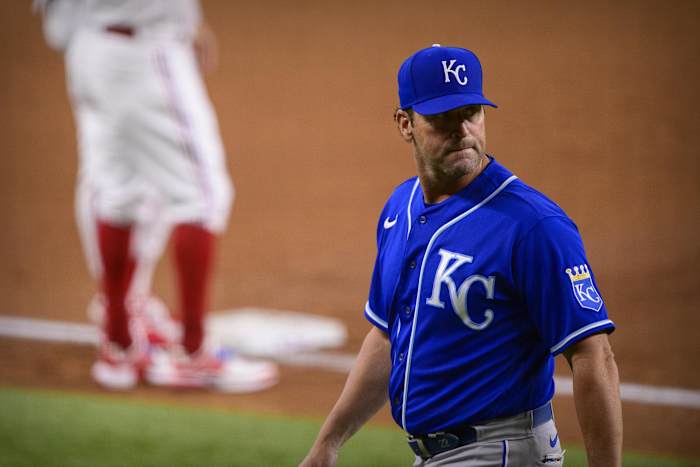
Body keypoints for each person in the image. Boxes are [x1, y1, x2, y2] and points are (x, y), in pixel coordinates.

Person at [300, 45, 622, 466]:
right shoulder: (401, 207)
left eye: (471, 112)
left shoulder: (532, 226)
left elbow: (593, 354)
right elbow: (386, 335)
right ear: (405, 124)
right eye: (442, 119)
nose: (462, 130)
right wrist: (329, 443)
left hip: (502, 451)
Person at [34, 0, 278, 393]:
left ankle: (118, 343)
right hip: (143, 51)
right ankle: (194, 353)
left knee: (119, 192)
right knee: (204, 195)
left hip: (88, 52)